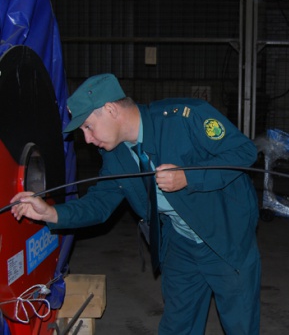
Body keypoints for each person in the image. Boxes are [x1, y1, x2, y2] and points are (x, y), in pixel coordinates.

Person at [11, 73, 261, 334]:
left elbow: (244, 151)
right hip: (180, 244)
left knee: (240, 326)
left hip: (225, 241)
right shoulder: (116, 155)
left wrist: (189, 176)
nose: (87, 139)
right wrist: (51, 213)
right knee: (178, 327)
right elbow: (100, 203)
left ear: (110, 109)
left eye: (87, 127)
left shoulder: (186, 118)